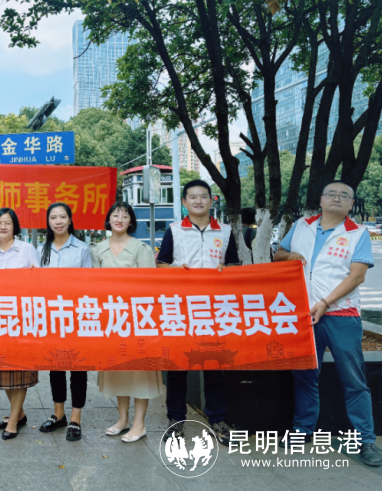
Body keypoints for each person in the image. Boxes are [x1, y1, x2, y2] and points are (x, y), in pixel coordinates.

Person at [274, 180, 382, 467]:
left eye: (344, 196)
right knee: (306, 375)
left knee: (353, 380)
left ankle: (366, 440)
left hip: (340, 314)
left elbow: (357, 275)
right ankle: (302, 429)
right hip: (303, 314)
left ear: (351, 204)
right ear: (321, 200)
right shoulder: (302, 226)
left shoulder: (357, 233)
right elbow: (279, 255)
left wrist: (325, 302)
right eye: (331, 194)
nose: (337, 198)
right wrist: (290, 255)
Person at [156, 180, 239, 447]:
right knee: (177, 367)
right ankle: (175, 419)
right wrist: (177, 271)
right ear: (184, 202)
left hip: (215, 309)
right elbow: (161, 265)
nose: (198, 201)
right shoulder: (174, 230)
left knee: (215, 366)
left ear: (211, 201)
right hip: (181, 308)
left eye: (203, 197)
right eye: (192, 197)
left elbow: (234, 266)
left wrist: (226, 271)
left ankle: (218, 419)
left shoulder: (224, 231)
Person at [93, 201, 164, 443]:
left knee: (139, 371)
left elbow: (149, 286)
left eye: (124, 216)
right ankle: (122, 420)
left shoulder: (141, 248)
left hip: (137, 318)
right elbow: (93, 286)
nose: (119, 219)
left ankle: (139, 423)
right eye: (115, 215)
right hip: (111, 319)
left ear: (131, 221)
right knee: (119, 369)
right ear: (109, 220)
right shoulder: (98, 249)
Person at [0, 208, 40, 440]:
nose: (3, 227)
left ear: (15, 226)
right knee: (3, 371)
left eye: (7, 222)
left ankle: (13, 421)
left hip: (22, 319)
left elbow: (38, 281)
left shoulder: (27, 250)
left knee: (20, 370)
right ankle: (20, 413)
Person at [37, 202, 92, 442]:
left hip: (76, 316)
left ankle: (75, 418)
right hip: (51, 316)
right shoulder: (41, 249)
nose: (58, 222)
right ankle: (58, 414)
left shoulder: (82, 249)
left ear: (70, 220)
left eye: (62, 217)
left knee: (78, 366)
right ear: (48, 222)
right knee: (55, 365)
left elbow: (89, 285)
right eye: (53, 218)